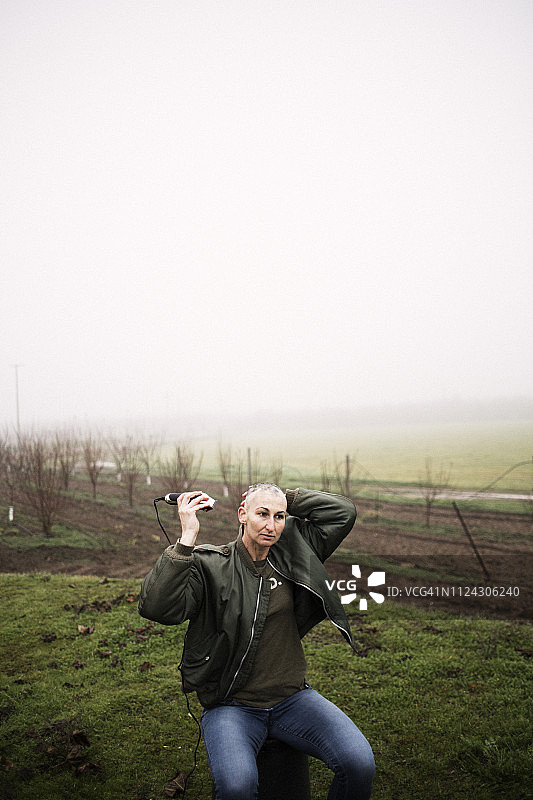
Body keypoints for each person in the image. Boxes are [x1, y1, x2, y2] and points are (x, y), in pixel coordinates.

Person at [139, 483, 375, 800]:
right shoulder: (211, 566)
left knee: (359, 763)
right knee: (237, 787)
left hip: (293, 699)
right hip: (231, 706)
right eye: (261, 514)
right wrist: (186, 540)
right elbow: (157, 607)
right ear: (243, 515)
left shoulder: (295, 554)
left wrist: (280, 496)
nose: (270, 525)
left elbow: (342, 512)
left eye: (279, 517)